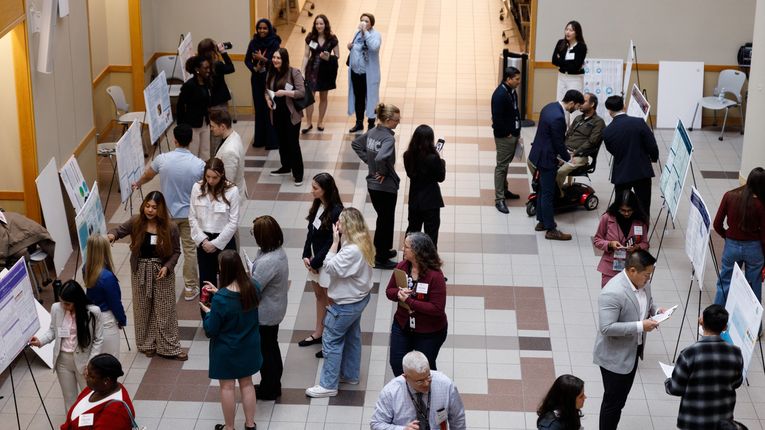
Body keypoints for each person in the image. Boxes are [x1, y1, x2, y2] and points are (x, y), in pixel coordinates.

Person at [107, 191, 186, 361]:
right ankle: (146, 344)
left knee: (165, 309)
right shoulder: (136, 221)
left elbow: (177, 252)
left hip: (161, 272)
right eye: (147, 206)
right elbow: (119, 231)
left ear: (161, 209)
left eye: (154, 207)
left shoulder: (170, 227)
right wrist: (111, 236)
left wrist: (167, 267)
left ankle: (169, 346)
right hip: (140, 270)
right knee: (142, 308)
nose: (150, 210)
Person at [592, 250, 667, 430]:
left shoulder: (643, 283)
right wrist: (641, 326)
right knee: (612, 402)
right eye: (646, 275)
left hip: (633, 351)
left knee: (620, 399)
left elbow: (647, 303)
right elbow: (607, 328)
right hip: (614, 357)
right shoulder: (612, 292)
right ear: (632, 271)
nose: (648, 279)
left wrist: (656, 312)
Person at [305, 207, 374, 398]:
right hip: (359, 298)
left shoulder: (351, 250)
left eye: (341, 222)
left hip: (346, 304)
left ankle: (328, 384)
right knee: (352, 337)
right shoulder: (361, 241)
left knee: (331, 340)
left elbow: (331, 267)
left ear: (349, 226)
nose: (337, 224)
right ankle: (350, 374)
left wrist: (334, 243)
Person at [132, 124, 205, 300]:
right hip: (189, 216)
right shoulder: (199, 165)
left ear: (175, 140)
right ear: (191, 140)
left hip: (166, 217)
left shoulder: (162, 159)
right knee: (189, 251)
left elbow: (148, 175)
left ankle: (160, 278)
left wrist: (138, 183)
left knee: (163, 247)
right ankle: (190, 287)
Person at [201, 250, 261, 430]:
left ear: (223, 270)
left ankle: (229, 427)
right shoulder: (254, 286)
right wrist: (219, 293)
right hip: (249, 345)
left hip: (227, 349)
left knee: (227, 387)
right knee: (247, 383)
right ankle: (250, 424)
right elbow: (239, 304)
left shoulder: (220, 300)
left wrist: (209, 313)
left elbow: (212, 329)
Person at [29, 280, 104, 412]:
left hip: (85, 362)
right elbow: (53, 331)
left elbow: (98, 340)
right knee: (70, 399)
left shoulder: (93, 312)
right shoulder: (56, 308)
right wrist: (40, 341)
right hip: (62, 361)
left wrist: (91, 363)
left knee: (89, 397)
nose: (63, 306)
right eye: (62, 301)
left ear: (77, 301)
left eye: (67, 303)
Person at [665, 304, 744, 430]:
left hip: (693, 421)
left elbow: (675, 389)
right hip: (723, 420)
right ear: (724, 327)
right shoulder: (736, 352)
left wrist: (668, 380)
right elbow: (737, 382)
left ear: (701, 322)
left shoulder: (689, 354)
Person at [385, 233, 447, 377]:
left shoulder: (435, 276)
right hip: (402, 325)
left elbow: (437, 309)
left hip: (429, 332)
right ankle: (408, 394)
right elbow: (389, 291)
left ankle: (428, 395)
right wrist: (398, 293)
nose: (402, 249)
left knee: (425, 369)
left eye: (406, 247)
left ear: (417, 251)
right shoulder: (402, 267)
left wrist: (409, 301)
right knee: (397, 364)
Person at [528, 90, 584, 241]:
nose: (577, 109)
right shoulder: (559, 117)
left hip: (538, 153)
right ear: (571, 102)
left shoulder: (549, 107)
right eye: (577, 106)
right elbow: (558, 142)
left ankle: (541, 221)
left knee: (541, 189)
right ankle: (550, 229)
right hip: (547, 158)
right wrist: (568, 158)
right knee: (548, 193)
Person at [351, 103, 401, 269]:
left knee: (383, 218)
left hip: (372, 185)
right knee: (386, 220)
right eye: (396, 120)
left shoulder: (372, 132)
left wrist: (368, 161)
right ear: (387, 119)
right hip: (384, 186)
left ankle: (384, 250)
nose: (398, 122)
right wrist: (382, 171)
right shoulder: (388, 138)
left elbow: (356, 144)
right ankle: (380, 257)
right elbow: (380, 158)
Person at [299, 172, 344, 350]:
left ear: (326, 190)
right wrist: (305, 254)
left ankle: (330, 338)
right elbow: (310, 232)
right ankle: (318, 332)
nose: (312, 191)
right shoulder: (318, 205)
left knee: (329, 300)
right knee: (319, 296)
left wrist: (315, 262)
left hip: (325, 262)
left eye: (315, 188)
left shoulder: (337, 211)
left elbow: (331, 242)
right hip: (314, 260)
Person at [370, 350, 466, 430]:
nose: (426, 384)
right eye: (420, 381)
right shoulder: (390, 393)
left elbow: (458, 419)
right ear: (405, 377)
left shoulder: (446, 385)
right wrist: (402, 429)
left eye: (428, 377)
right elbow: (376, 424)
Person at [249, 215, 289, 400]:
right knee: (271, 346)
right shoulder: (276, 251)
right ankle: (273, 384)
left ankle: (269, 388)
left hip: (266, 313)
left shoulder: (268, 261)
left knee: (267, 350)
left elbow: (254, 289)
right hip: (275, 307)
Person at [712, 167, 765, 305]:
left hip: (732, 246)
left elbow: (717, 224)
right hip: (754, 249)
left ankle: (715, 320)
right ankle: (754, 325)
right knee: (753, 287)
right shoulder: (761, 204)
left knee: (724, 282)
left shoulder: (729, 196)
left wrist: (727, 236)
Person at [602, 95, 659, 216]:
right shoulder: (639, 122)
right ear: (624, 106)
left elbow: (612, 150)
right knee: (643, 205)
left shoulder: (607, 131)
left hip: (622, 173)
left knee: (621, 205)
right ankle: (642, 232)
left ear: (609, 111)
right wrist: (653, 158)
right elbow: (652, 145)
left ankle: (621, 231)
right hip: (642, 172)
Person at [189, 158, 240, 287]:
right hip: (204, 240)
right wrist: (203, 241)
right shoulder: (197, 188)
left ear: (222, 174)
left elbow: (233, 222)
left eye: (214, 177)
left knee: (228, 281)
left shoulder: (232, 191)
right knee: (206, 281)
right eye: (208, 177)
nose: (210, 181)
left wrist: (216, 243)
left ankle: (227, 307)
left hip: (224, 239)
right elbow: (192, 217)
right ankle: (206, 307)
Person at [60, 354, 135, 430]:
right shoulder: (94, 389)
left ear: (106, 380)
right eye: (87, 373)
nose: (86, 377)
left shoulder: (116, 412)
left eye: (91, 376)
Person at [593, 190, 650, 287]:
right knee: (609, 298)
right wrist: (610, 244)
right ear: (617, 207)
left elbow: (645, 243)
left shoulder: (640, 222)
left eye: (629, 210)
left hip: (633, 269)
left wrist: (637, 247)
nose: (626, 213)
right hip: (610, 267)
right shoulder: (607, 218)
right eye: (623, 210)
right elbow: (597, 240)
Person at [265, 48, 306, 186]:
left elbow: (301, 92)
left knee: (293, 144)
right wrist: (268, 99)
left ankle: (298, 173)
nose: (275, 60)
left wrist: (285, 93)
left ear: (284, 60)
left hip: (291, 115)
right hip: (276, 113)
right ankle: (286, 167)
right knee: (282, 142)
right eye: (274, 57)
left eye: (279, 58)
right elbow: (267, 90)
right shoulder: (271, 72)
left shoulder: (293, 72)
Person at [83, 235, 126, 358]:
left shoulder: (86, 268)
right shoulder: (107, 277)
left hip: (91, 316)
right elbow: (115, 302)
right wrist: (122, 319)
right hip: (107, 319)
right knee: (110, 359)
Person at [403, 124, 446, 247]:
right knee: (431, 234)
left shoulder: (407, 155)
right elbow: (441, 178)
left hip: (414, 199)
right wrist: (440, 159)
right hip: (430, 201)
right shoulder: (433, 158)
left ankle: (409, 259)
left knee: (412, 230)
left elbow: (411, 174)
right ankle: (429, 263)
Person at [555, 92, 605, 192]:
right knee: (547, 164)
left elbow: (592, 142)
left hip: (580, 155)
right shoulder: (578, 118)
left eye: (585, 101)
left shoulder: (598, 122)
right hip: (566, 151)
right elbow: (567, 135)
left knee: (561, 171)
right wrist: (562, 151)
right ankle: (552, 190)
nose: (581, 103)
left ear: (592, 104)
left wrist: (575, 153)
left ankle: (558, 194)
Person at [245, 18, 281, 149]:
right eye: (260, 28)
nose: (262, 30)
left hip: (270, 79)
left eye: (265, 28)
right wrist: (254, 68)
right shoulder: (253, 42)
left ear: (269, 29)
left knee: (269, 108)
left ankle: (272, 140)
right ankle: (260, 139)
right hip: (256, 79)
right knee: (259, 108)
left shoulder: (274, 43)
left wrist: (262, 59)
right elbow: (246, 60)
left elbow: (277, 62)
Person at [492, 66, 523, 214]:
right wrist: (508, 134)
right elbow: (497, 120)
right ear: (508, 79)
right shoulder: (499, 95)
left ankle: (504, 190)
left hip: (513, 133)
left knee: (505, 165)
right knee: (501, 167)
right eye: (516, 79)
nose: (519, 82)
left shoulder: (511, 91)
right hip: (505, 137)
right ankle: (499, 199)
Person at [301, 14, 339, 133]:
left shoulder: (332, 38)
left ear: (325, 24)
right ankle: (308, 123)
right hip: (312, 70)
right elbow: (306, 55)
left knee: (323, 97)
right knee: (309, 97)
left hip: (325, 71)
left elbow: (337, 55)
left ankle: (320, 121)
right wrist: (302, 70)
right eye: (317, 23)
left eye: (321, 23)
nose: (319, 26)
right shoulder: (310, 37)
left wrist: (328, 57)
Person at [347, 12, 382, 133]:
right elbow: (357, 48)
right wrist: (350, 46)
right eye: (362, 20)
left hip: (369, 74)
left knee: (371, 98)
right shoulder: (357, 33)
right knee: (359, 98)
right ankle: (359, 122)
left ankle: (371, 123)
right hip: (356, 73)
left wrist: (365, 32)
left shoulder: (375, 35)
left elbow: (374, 47)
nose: (364, 23)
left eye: (366, 21)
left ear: (371, 23)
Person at [176, 55, 212, 160]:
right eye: (205, 68)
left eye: (209, 67)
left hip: (205, 122)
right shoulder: (189, 86)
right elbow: (180, 106)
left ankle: (204, 175)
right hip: (192, 125)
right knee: (193, 153)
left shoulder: (206, 82)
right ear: (197, 69)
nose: (208, 70)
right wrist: (181, 126)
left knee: (205, 152)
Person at [211, 109, 248, 205]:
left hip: (229, 200)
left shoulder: (229, 151)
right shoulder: (234, 135)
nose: (211, 129)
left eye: (213, 126)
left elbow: (228, 181)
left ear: (222, 126)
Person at [551, 20, 587, 102]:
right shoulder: (561, 43)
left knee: (573, 103)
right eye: (566, 29)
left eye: (571, 30)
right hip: (561, 76)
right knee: (561, 102)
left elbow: (575, 67)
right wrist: (568, 63)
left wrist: (561, 61)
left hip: (575, 78)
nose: (568, 32)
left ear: (577, 33)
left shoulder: (581, 47)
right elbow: (554, 60)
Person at [197, 38, 235, 112]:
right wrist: (223, 52)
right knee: (222, 122)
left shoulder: (199, 66)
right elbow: (231, 68)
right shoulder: (217, 65)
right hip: (220, 100)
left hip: (207, 101)